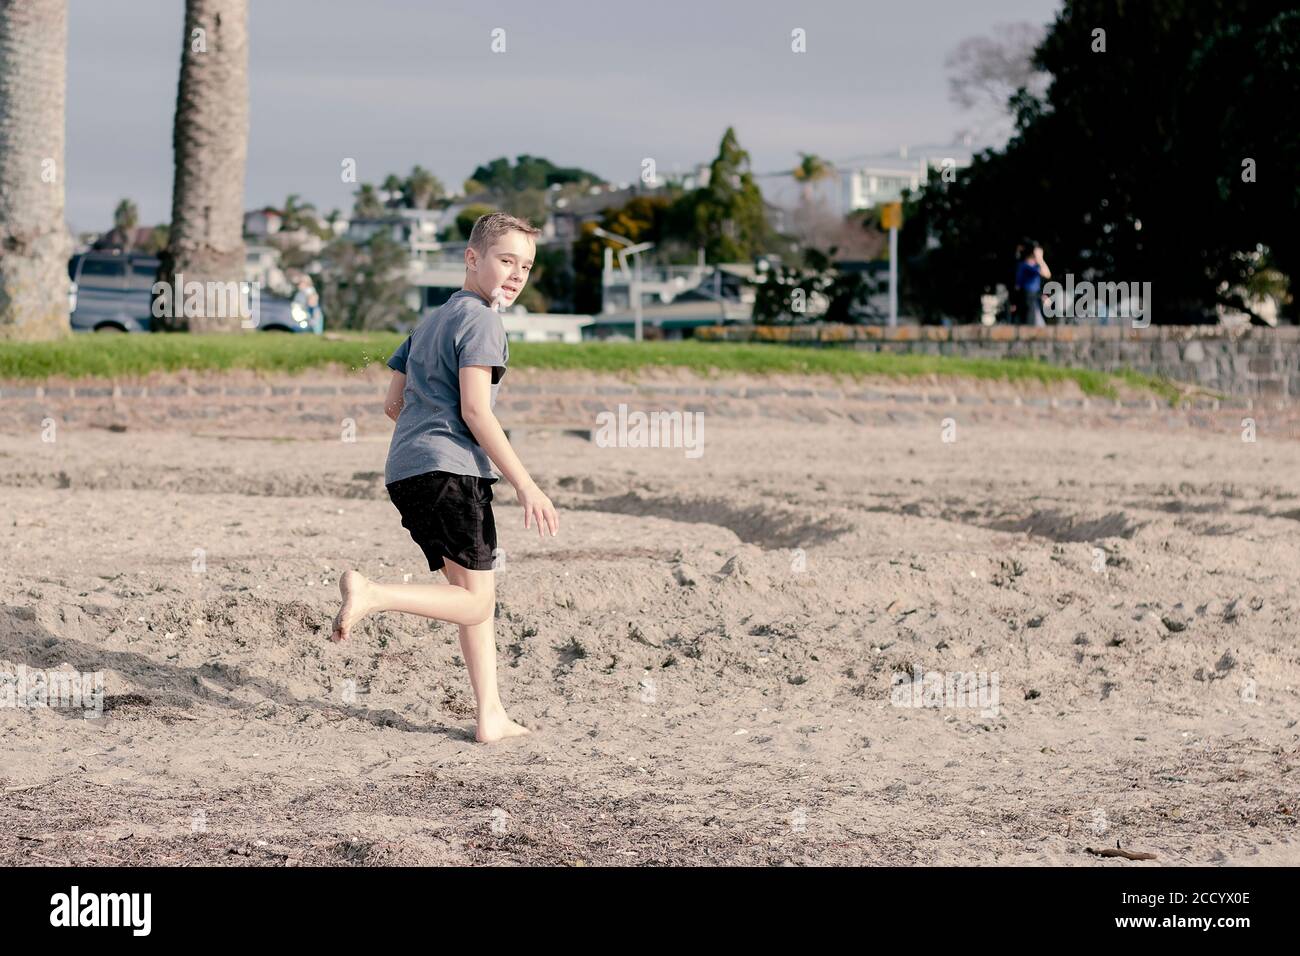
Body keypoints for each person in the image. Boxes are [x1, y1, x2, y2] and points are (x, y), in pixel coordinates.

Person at [330, 212, 559, 743]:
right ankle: (372, 594)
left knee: (471, 595)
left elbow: (393, 402)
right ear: (472, 258)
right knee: (478, 601)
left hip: (407, 472)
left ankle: (490, 714)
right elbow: (478, 413)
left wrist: (426, 430)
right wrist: (527, 484)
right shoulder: (482, 320)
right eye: (506, 260)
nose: (516, 275)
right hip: (452, 473)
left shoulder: (430, 322)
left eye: (525, 266)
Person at [1014, 242, 1051, 327]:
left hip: (1034, 298)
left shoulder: (1034, 266)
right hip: (1027, 299)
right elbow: (1046, 274)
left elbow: (1047, 274)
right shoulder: (1025, 265)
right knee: (1030, 322)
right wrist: (1040, 259)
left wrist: (1042, 295)